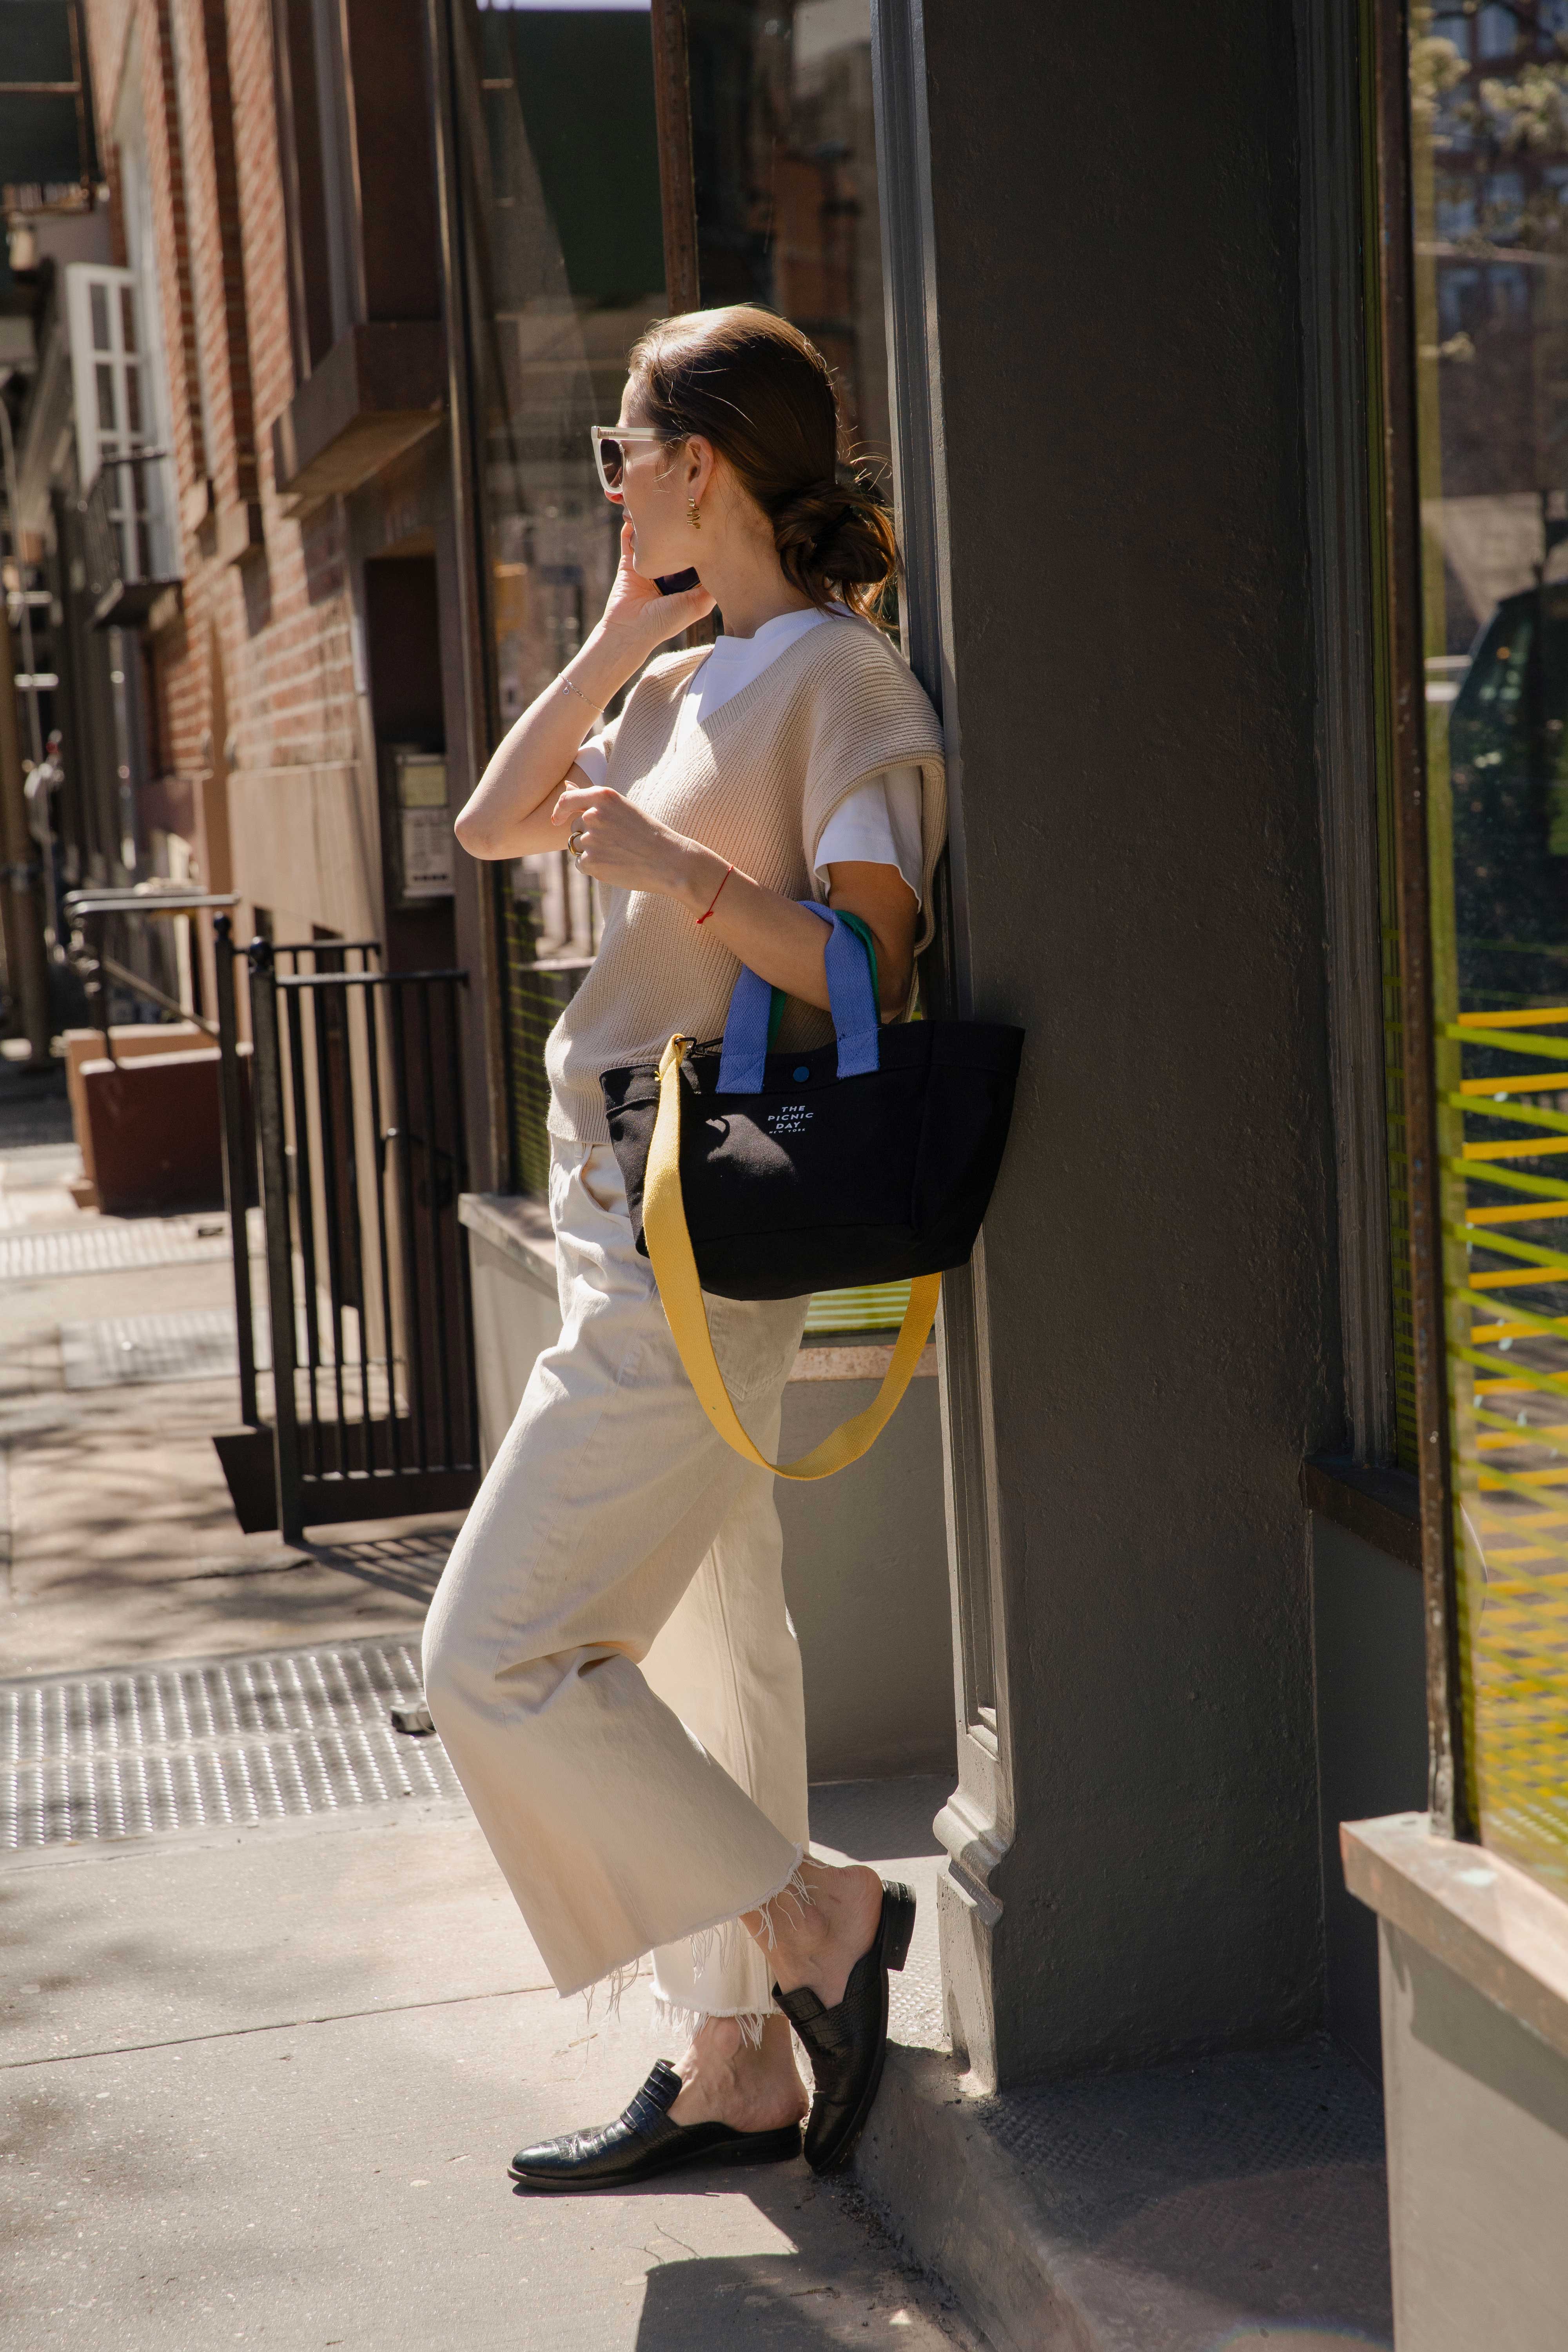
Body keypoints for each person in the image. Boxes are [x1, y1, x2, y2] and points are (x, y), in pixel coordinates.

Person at [425, 305, 946, 2190]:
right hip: (613, 1217)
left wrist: (682, 882)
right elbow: (494, 824)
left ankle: (817, 1926)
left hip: (695, 1242)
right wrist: (634, 618)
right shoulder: (683, 679)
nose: (609, 482)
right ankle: (736, 2058)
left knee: (495, 1653)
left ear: (697, 462)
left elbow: (872, 962)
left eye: (622, 455)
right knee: (727, 1658)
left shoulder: (837, 686)